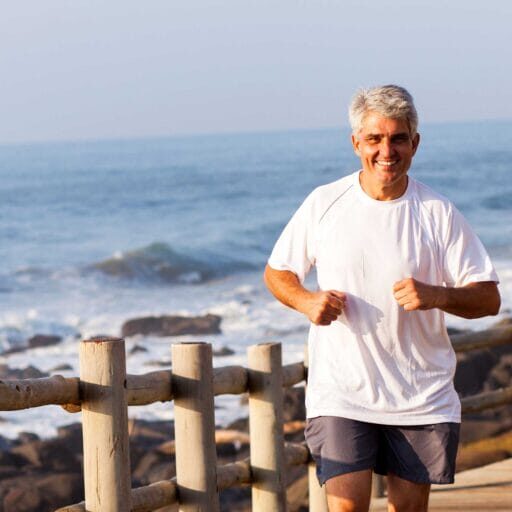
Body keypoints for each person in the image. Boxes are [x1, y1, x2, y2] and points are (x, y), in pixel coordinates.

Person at [264, 85, 500, 512]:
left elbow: (488, 298)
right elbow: (278, 272)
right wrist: (306, 301)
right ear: (356, 143)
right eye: (374, 138)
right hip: (342, 391)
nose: (386, 150)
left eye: (398, 138)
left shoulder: (438, 212)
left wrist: (437, 295)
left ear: (416, 143)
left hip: (419, 395)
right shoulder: (325, 203)